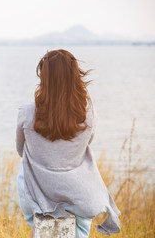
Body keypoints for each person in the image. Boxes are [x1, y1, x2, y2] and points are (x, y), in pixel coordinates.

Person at [15, 49, 121, 238]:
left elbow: (20, 150)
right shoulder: (87, 113)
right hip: (78, 195)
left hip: (37, 194)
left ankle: (37, 229)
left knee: (26, 176)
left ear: (44, 77)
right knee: (80, 228)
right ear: (75, 77)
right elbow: (89, 141)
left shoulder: (26, 112)